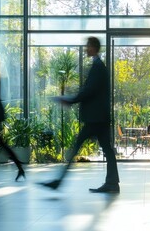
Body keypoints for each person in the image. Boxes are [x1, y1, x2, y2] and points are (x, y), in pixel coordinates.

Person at [39, 37, 120, 193]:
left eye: (88, 46)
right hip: (99, 118)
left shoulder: (98, 67)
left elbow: (89, 91)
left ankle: (59, 182)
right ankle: (112, 183)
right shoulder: (98, 66)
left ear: (94, 47)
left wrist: (71, 100)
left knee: (77, 147)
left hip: (95, 119)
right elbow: (90, 91)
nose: (86, 48)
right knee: (107, 150)